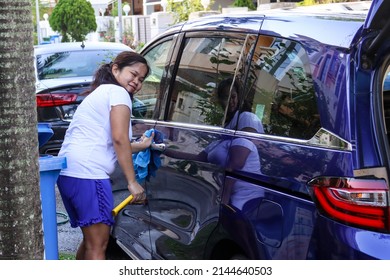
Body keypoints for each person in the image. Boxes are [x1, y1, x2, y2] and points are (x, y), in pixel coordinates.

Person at [56, 51, 154, 260]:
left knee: (91, 242)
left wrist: (141, 145)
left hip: (70, 174)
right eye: (133, 74)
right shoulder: (118, 94)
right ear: (116, 69)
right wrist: (131, 182)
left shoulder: (103, 92)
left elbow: (110, 142)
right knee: (98, 246)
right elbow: (119, 139)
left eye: (141, 79)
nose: (136, 82)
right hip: (88, 176)